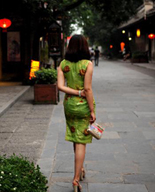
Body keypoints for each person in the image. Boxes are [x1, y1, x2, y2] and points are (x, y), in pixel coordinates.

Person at [57, 34, 96, 192]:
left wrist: (74, 92)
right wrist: (92, 110)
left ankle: (80, 169)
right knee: (81, 141)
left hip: (69, 106)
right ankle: (75, 179)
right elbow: (87, 89)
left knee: (76, 136)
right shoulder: (88, 64)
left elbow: (60, 87)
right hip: (83, 106)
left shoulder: (63, 64)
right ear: (85, 47)